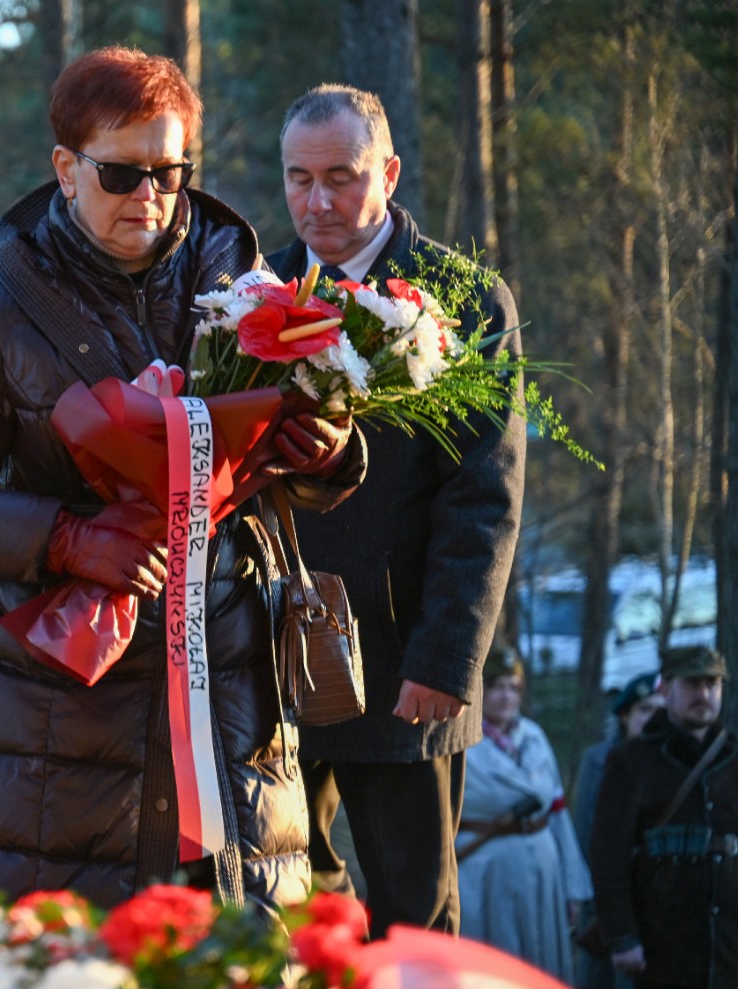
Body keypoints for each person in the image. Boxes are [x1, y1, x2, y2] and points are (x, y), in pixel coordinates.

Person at [0, 47, 365, 913]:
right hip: (54, 721)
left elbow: (293, 471)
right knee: (68, 982)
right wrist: (67, 538)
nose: (148, 195)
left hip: (229, 703)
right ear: (66, 169)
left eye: (169, 173)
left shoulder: (251, 291)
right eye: (120, 173)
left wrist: (324, 450)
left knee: (233, 975)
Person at [265, 84, 525, 937]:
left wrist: (447, 658)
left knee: (415, 920)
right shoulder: (259, 291)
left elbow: (482, 497)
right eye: (299, 178)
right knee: (287, 910)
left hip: (402, 659)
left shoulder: (464, 297)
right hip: (273, 660)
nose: (317, 201)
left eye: (340, 177)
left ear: (389, 172)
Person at [589, 646, 738, 989]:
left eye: (712, 683)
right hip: (662, 952)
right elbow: (608, 855)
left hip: (734, 953)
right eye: (692, 684)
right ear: (667, 689)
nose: (703, 694)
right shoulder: (632, 761)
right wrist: (622, 937)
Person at [454, 647, 591, 983]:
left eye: (513, 687)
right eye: (497, 687)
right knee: (491, 961)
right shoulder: (460, 738)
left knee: (539, 959)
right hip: (482, 868)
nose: (506, 697)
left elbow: (557, 812)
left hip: (541, 866)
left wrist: (573, 884)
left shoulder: (534, 736)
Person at [570, 671, 663, 989]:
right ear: (625, 715)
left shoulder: (669, 759)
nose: (653, 718)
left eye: (660, 710)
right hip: (607, 896)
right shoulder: (600, 759)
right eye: (645, 709)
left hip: (657, 903)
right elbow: (586, 833)